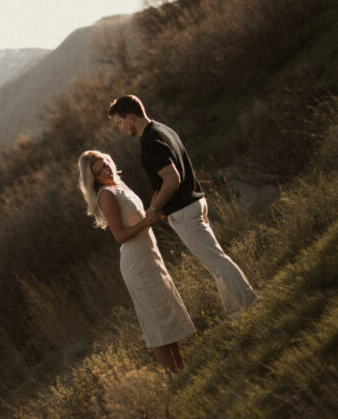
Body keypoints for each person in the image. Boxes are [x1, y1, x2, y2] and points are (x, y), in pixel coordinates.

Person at [107, 95, 257, 319]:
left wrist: (155, 208)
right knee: (214, 260)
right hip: (195, 201)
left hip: (184, 210)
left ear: (130, 117)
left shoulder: (149, 141)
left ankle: (253, 305)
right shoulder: (163, 129)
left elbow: (172, 178)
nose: (120, 128)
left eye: (120, 122)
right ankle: (235, 313)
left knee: (217, 261)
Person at [77, 149, 195, 373]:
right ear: (94, 179)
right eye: (99, 170)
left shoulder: (119, 185)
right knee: (156, 322)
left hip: (150, 255)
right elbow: (120, 235)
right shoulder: (107, 195)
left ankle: (182, 370)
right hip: (136, 262)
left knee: (166, 313)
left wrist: (151, 211)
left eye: (105, 163)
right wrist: (147, 220)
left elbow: (139, 219)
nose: (106, 169)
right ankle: (175, 374)